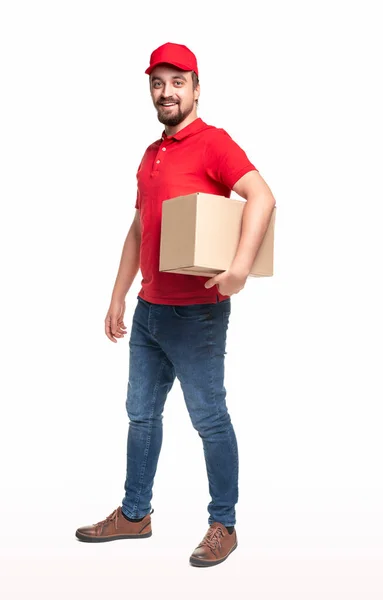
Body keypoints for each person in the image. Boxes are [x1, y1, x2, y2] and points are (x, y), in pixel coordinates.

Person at [75, 42, 276, 567]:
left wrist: (237, 270)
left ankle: (223, 524)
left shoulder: (213, 144)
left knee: (209, 418)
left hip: (197, 313)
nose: (167, 92)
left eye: (177, 82)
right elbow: (141, 227)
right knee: (140, 416)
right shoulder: (150, 154)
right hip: (149, 311)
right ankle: (135, 514)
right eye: (157, 84)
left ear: (196, 86)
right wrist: (118, 294)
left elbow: (262, 196)